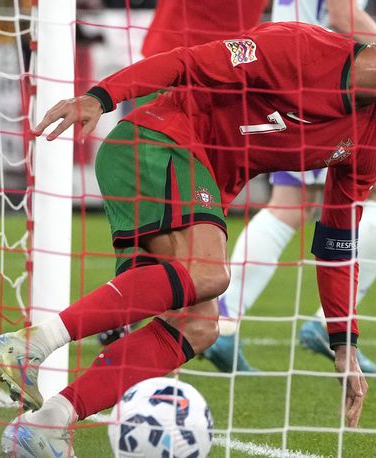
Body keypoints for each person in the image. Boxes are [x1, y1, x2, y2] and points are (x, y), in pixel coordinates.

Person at [0, 0, 376, 454]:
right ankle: (30, 345)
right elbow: (187, 62)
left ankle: (46, 422)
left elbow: (337, 243)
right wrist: (101, 98)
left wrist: (344, 341)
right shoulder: (301, 47)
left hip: (188, 178)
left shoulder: (370, 136)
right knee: (210, 274)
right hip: (154, 142)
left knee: (198, 325)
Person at [205, 0, 376, 374]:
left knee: (290, 205)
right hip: (332, 85)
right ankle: (329, 319)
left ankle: (224, 322)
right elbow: (343, 16)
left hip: (298, 73)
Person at [95, 0, 269, 346]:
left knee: (176, 212)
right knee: (170, 212)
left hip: (223, 80)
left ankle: (125, 311)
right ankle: (127, 315)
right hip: (180, 69)